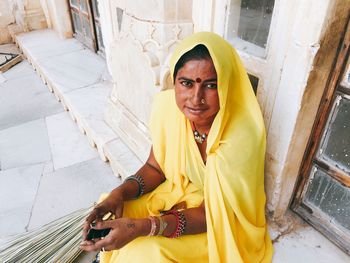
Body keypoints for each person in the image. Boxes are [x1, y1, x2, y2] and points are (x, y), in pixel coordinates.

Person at [80, 32, 273, 263]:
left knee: (146, 253)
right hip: (181, 193)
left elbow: (209, 214)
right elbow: (155, 167)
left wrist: (143, 227)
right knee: (116, 209)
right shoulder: (168, 110)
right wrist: (118, 194)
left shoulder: (240, 136)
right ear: (175, 82)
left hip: (221, 220)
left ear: (227, 86)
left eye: (211, 85)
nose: (196, 98)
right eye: (186, 83)